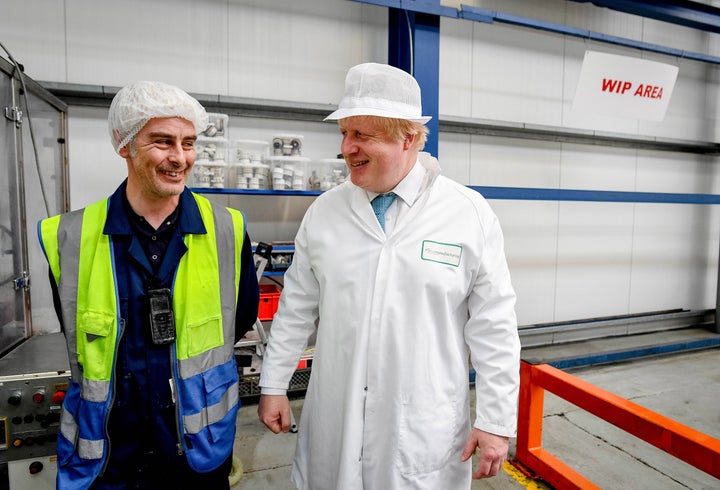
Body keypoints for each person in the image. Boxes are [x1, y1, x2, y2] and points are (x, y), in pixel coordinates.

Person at [257, 62, 521, 489]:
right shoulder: (325, 212)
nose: (346, 147)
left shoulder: (467, 214)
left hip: (422, 427)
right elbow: (295, 309)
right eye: (344, 132)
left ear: (410, 138)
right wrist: (273, 384)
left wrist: (495, 420)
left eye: (362, 135)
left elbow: (494, 327)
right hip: (335, 418)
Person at [37, 81, 259, 490]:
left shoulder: (228, 229)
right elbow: (74, 330)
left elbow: (240, 319)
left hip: (196, 454)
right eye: (162, 142)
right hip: (108, 458)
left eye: (188, 142)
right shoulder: (69, 237)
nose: (179, 157)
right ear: (126, 146)